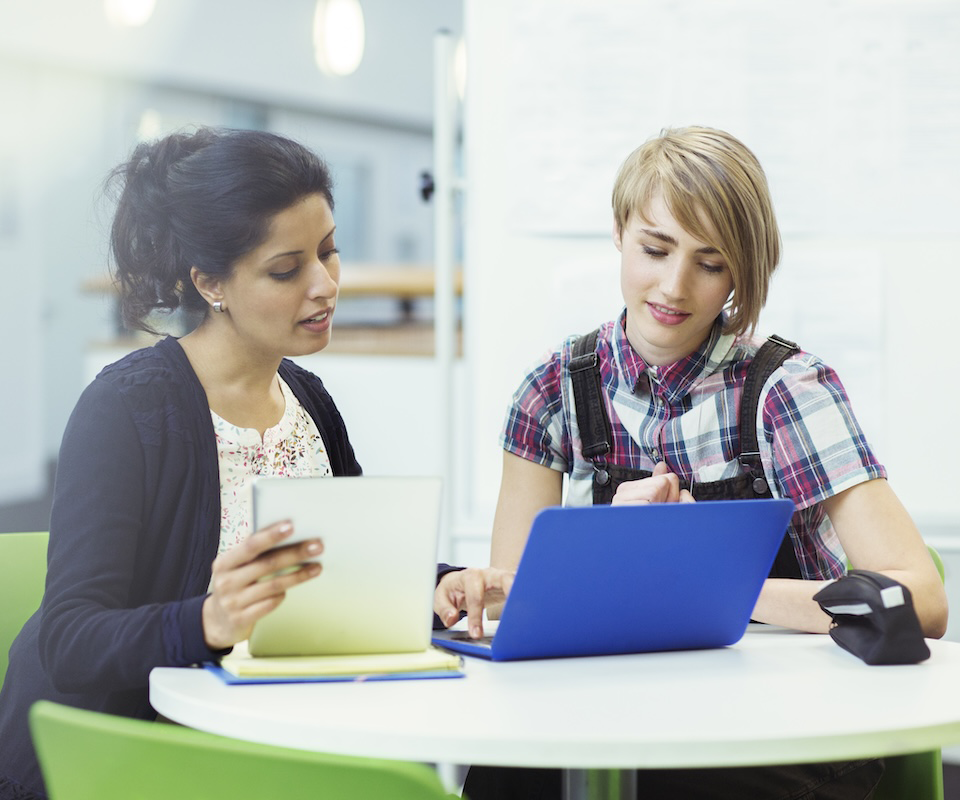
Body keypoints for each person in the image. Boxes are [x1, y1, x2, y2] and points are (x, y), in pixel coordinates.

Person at [437, 126, 948, 800]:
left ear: (740, 273)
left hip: (788, 727)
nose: (673, 287)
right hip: (618, 714)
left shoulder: (784, 392)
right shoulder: (552, 391)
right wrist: (597, 554)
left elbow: (923, 601)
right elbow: (517, 607)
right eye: (655, 248)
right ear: (619, 230)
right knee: (507, 780)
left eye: (710, 264)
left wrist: (699, 584)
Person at [0, 127, 469, 800]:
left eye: (329, 252)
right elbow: (71, 641)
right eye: (287, 269)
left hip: (279, 729)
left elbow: (345, 574)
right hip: (141, 752)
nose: (325, 285)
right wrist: (208, 622)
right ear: (211, 282)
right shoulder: (126, 412)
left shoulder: (308, 398)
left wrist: (431, 587)